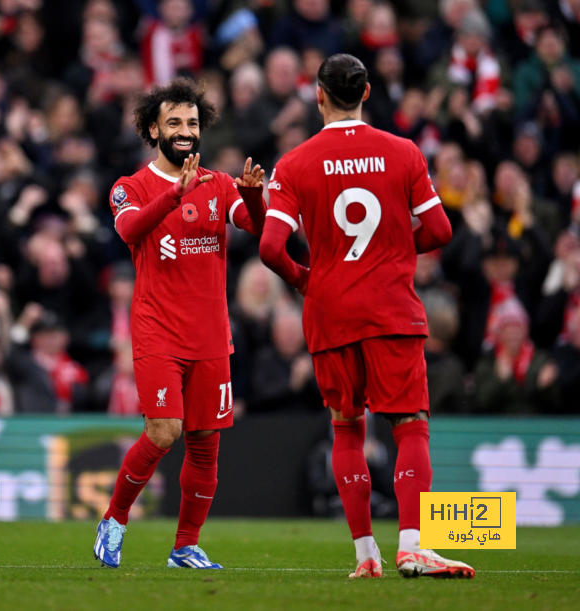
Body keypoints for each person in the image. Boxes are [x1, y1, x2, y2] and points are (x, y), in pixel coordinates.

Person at [259, 53, 474, 579]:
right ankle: (412, 545)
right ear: (368, 92)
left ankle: (365, 556)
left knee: (347, 429)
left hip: (330, 313)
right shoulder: (403, 152)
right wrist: (397, 247)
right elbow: (442, 231)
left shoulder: (295, 162)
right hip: (390, 310)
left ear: (318, 96)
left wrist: (309, 279)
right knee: (409, 425)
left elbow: (270, 247)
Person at [93, 77, 267, 570]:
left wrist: (253, 196)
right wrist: (173, 196)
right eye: (174, 122)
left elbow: (254, 223)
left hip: (211, 335)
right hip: (157, 332)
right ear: (153, 129)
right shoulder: (129, 188)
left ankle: (185, 546)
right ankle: (114, 519)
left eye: (192, 122)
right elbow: (128, 229)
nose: (185, 130)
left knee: (205, 444)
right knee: (164, 431)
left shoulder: (220, 183)